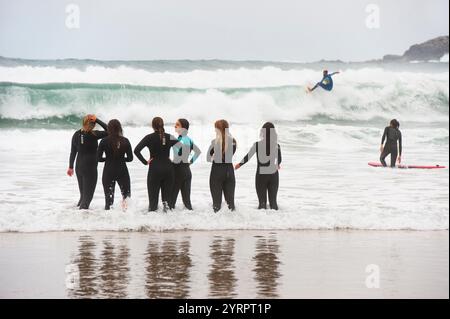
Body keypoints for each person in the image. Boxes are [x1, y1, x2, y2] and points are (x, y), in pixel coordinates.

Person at [134, 117, 179, 212]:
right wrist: (174, 160)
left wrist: (145, 162)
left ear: (152, 126)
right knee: (167, 205)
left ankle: (154, 224)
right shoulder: (169, 136)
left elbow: (136, 150)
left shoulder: (149, 137)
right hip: (168, 169)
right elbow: (183, 149)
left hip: (155, 170)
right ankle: (169, 224)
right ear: (163, 125)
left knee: (153, 205)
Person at [235, 122, 282, 210]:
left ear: (262, 132)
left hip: (261, 176)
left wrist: (239, 165)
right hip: (274, 175)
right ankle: (277, 221)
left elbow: (248, 156)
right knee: (273, 204)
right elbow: (279, 158)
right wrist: (277, 164)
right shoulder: (277, 146)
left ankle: (261, 222)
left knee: (262, 204)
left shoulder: (257, 145)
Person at [67, 114, 108, 209]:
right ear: (93, 125)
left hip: (78, 167)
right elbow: (109, 131)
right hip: (90, 168)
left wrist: (70, 167)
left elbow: (73, 152)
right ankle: (81, 222)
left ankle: (72, 217)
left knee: (82, 197)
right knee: (87, 199)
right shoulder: (94, 135)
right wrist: (97, 119)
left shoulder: (76, 134)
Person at [97, 119, 133, 211]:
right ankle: (127, 221)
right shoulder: (125, 141)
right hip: (122, 171)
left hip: (108, 171)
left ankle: (110, 223)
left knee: (108, 201)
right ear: (120, 128)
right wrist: (121, 158)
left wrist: (108, 159)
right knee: (126, 199)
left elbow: (98, 158)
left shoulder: (103, 141)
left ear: (108, 129)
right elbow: (130, 159)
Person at [170, 119, 201, 210]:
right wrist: (190, 162)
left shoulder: (179, 140)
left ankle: (170, 222)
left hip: (178, 171)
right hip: (187, 171)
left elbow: (178, 156)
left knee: (171, 202)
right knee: (187, 202)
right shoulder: (189, 139)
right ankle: (190, 221)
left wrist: (170, 162)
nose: (175, 126)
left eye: (177, 125)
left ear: (183, 128)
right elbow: (198, 152)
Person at [207, 119, 237, 213]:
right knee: (231, 205)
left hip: (217, 172)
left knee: (216, 205)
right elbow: (228, 156)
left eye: (215, 128)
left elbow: (208, 157)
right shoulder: (233, 141)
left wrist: (215, 157)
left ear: (218, 129)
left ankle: (217, 225)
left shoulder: (214, 142)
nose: (214, 130)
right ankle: (234, 224)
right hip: (229, 172)